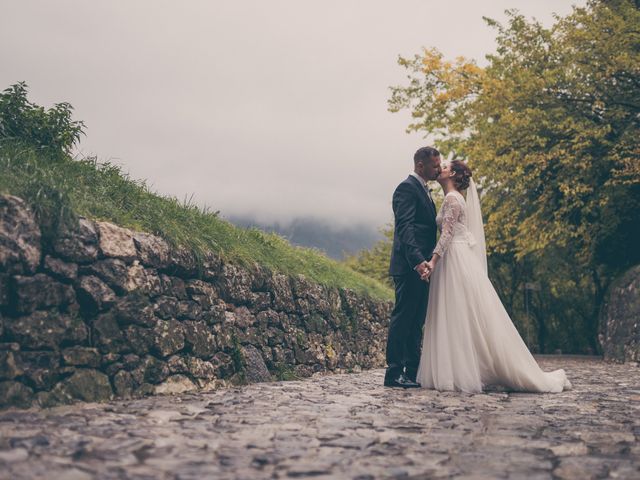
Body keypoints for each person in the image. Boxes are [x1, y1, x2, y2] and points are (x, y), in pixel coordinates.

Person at [417, 160, 571, 393]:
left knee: (456, 312)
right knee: (459, 314)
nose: (441, 169)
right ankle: (460, 369)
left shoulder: (452, 199)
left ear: (455, 175)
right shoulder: (454, 198)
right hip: (455, 258)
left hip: (453, 258)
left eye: (445, 167)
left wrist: (433, 262)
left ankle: (459, 371)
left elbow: (447, 234)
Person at [384, 146, 441, 388]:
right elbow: (405, 228)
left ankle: (412, 370)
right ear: (421, 165)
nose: (439, 168)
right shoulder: (406, 188)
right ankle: (394, 372)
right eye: (435, 165)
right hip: (410, 266)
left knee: (416, 320)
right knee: (403, 318)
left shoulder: (425, 191)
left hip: (422, 268)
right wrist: (418, 261)